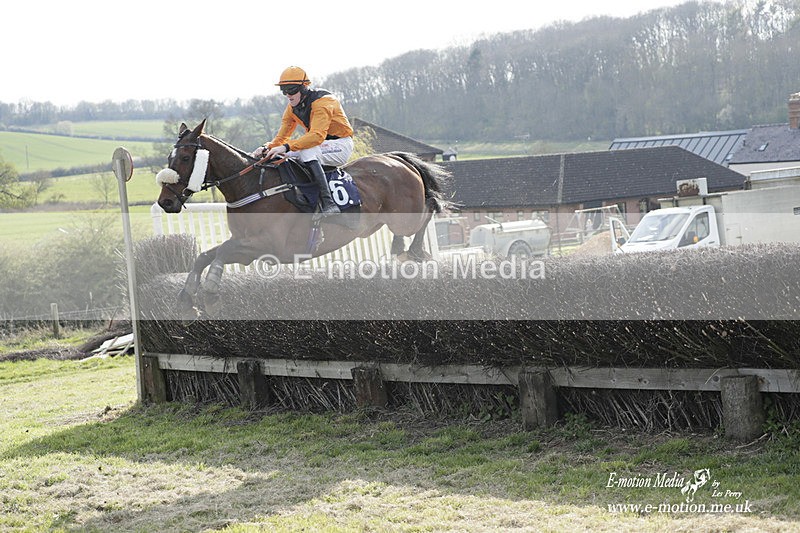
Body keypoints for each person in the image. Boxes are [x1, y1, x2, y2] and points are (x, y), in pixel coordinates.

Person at [254, 66, 354, 216]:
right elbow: (281, 138)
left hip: (341, 145)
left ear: (304, 87)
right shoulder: (291, 109)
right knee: (279, 155)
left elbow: (316, 136)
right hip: (319, 146)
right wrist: (267, 147)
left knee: (306, 151)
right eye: (284, 90)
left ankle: (328, 203)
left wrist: (286, 147)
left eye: (292, 90)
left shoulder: (323, 102)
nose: (288, 95)